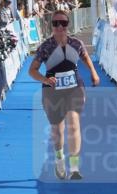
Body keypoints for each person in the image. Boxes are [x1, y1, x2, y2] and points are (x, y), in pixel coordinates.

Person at [28, 11, 100, 181]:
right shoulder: (46, 47)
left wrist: (94, 73)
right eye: (56, 24)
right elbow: (32, 70)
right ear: (51, 26)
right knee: (57, 130)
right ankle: (60, 161)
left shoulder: (76, 43)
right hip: (52, 92)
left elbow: (85, 57)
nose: (60, 27)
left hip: (75, 87)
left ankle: (74, 167)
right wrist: (45, 79)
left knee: (74, 124)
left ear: (68, 25)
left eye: (63, 23)